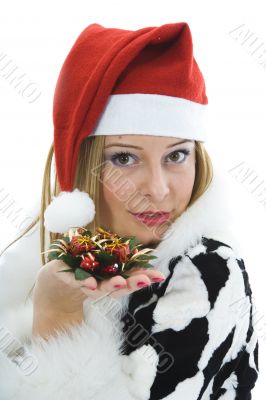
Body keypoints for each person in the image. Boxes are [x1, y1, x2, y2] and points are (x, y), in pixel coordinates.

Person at [0, 21, 259, 400]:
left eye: (177, 155)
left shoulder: (208, 270)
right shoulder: (30, 264)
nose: (157, 188)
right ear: (80, 168)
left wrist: (58, 320)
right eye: (124, 158)